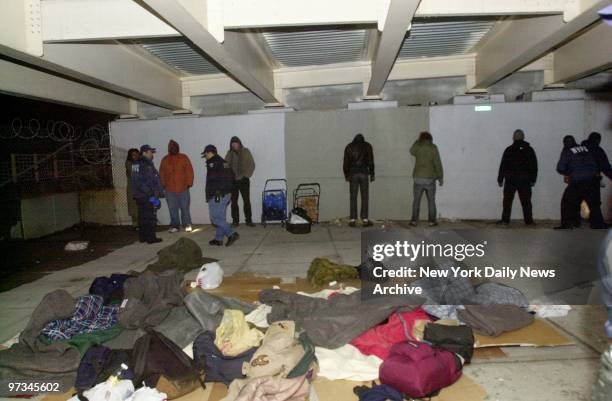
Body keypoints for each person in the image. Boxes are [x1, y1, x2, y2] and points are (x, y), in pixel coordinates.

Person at [555, 135, 606, 229]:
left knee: (567, 202)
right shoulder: (585, 149)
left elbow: (560, 168)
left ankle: (568, 224)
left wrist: (568, 173)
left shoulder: (567, 151)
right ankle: (598, 224)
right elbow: (593, 163)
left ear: (565, 143)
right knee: (594, 204)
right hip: (593, 179)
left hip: (578, 181)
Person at [496, 129, 538, 226]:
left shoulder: (509, 150)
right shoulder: (529, 150)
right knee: (526, 202)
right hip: (525, 180)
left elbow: (503, 165)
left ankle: (505, 220)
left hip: (511, 180)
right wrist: (533, 179)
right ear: (523, 137)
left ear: (513, 138)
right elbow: (534, 166)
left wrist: (500, 179)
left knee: (507, 201)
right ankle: (529, 221)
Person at [202, 144, 239, 246]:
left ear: (209, 153)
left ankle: (232, 233)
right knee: (220, 218)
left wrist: (216, 193)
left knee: (215, 218)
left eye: (205, 154)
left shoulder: (214, 163)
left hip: (218, 194)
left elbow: (214, 181)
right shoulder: (223, 162)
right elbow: (231, 176)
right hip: (225, 193)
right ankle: (218, 239)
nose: (205, 157)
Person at [159, 140, 195, 233]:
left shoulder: (184, 158)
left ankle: (187, 224)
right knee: (172, 208)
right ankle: (175, 225)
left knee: (185, 208)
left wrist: (189, 183)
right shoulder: (165, 159)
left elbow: (189, 171)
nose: (173, 148)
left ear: (178, 148)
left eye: (175, 147)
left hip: (183, 188)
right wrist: (163, 184)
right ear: (169, 149)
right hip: (170, 190)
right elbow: (161, 173)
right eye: (171, 147)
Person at [131, 144, 163, 244]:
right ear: (144, 152)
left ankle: (143, 237)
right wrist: (149, 193)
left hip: (145, 194)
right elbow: (137, 181)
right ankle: (151, 238)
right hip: (145, 195)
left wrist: (159, 190)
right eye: (150, 152)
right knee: (150, 216)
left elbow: (154, 179)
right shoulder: (138, 163)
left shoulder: (147, 163)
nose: (152, 154)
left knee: (144, 216)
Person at [409, 132, 443, 226]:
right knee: (431, 201)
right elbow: (437, 163)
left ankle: (414, 221)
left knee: (416, 201)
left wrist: (416, 141)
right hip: (429, 179)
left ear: (421, 138)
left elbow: (411, 151)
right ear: (430, 138)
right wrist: (440, 177)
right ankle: (432, 221)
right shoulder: (433, 147)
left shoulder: (418, 146)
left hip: (418, 178)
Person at [343, 133, 375, 227]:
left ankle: (353, 219)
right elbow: (371, 161)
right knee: (365, 196)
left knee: (353, 196)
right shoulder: (367, 146)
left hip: (353, 174)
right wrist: (372, 173)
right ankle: (364, 219)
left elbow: (346, 162)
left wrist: (346, 174)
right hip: (364, 173)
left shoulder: (349, 146)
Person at [225, 136, 256, 227]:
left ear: (239, 143)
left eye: (236, 143)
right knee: (234, 202)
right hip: (233, 181)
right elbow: (225, 165)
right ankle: (235, 221)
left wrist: (246, 176)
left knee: (246, 200)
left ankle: (249, 220)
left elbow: (251, 164)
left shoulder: (246, 151)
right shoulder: (229, 153)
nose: (234, 145)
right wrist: (229, 176)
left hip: (244, 180)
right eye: (232, 143)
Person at [125, 148, 140, 228]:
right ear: (130, 156)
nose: (136, 156)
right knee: (133, 207)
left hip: (139, 189)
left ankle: (139, 224)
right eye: (134, 155)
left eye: (137, 154)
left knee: (139, 207)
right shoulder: (129, 163)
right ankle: (135, 224)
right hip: (132, 189)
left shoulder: (138, 163)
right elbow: (135, 173)